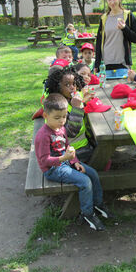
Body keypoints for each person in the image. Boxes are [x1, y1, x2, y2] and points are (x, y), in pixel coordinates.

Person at [35, 93, 111, 231]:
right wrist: (64, 159)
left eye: (64, 117)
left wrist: (75, 161)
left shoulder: (61, 128)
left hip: (66, 162)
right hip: (53, 170)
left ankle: (98, 203)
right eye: (57, 118)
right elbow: (44, 160)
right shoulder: (43, 135)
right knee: (84, 181)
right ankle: (88, 213)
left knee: (93, 173)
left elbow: (68, 146)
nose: (62, 121)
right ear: (46, 116)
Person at [45, 66, 95, 162]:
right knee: (102, 156)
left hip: (81, 144)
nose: (72, 87)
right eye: (67, 85)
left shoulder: (69, 99)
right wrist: (76, 108)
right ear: (58, 88)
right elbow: (71, 132)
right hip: (71, 152)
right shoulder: (58, 106)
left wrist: (83, 102)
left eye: (74, 84)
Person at [95, 0, 136, 74]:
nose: (112, 2)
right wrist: (97, 63)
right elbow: (99, 41)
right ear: (107, 1)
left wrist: (124, 28)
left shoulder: (128, 16)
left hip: (122, 63)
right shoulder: (104, 18)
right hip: (106, 63)